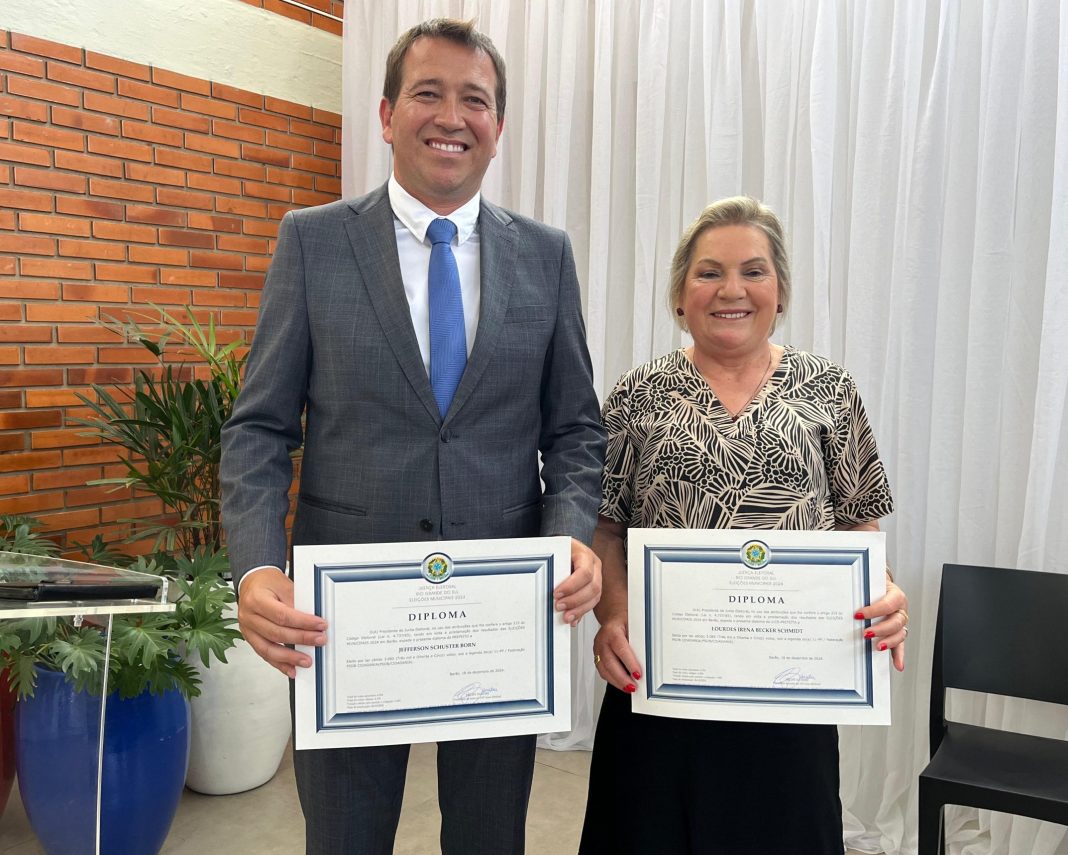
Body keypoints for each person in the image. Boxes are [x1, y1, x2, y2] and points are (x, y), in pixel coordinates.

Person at [220, 19, 605, 855]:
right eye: (429, 93)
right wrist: (255, 565)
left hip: (502, 612)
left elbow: (577, 428)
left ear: (498, 127)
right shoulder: (314, 241)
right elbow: (258, 428)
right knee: (346, 838)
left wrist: (570, 534)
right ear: (388, 114)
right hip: (346, 619)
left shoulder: (546, 256)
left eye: (476, 100)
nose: (452, 116)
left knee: (489, 836)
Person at [577, 196, 908, 854]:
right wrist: (612, 615)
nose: (732, 290)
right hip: (661, 685)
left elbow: (858, 523)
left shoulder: (829, 390)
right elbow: (605, 526)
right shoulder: (638, 393)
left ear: (780, 291)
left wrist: (885, 592)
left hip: (791, 692)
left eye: (753, 271)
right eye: (709, 272)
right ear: (680, 296)